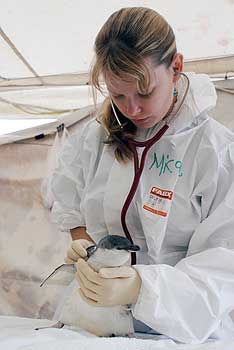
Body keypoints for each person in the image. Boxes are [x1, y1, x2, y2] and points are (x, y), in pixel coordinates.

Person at [51, 7, 234, 344]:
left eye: (145, 93)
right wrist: (82, 241)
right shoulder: (94, 140)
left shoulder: (215, 153)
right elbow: (68, 195)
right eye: (118, 95)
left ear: (176, 67)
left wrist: (142, 288)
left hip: (178, 331)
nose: (132, 110)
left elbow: (224, 264)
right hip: (96, 322)